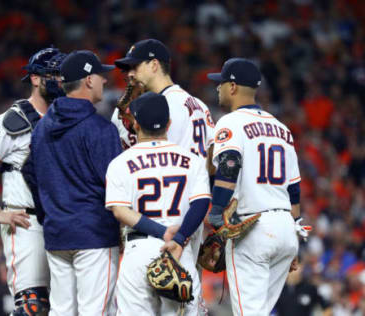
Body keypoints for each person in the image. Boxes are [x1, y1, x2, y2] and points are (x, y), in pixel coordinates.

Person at [114, 39, 215, 311]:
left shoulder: (166, 107)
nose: (129, 74)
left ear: (155, 64)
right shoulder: (200, 106)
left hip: (164, 224)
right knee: (186, 304)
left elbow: (160, 164)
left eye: (135, 67)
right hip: (190, 219)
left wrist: (127, 136)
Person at [0, 47, 67, 315]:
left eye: (62, 74)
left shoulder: (67, 118)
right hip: (26, 222)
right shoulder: (14, 119)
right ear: (35, 78)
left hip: (63, 221)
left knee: (66, 305)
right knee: (32, 305)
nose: (60, 80)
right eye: (53, 74)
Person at [206, 58, 310, 316]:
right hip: (285, 229)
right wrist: (295, 239)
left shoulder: (231, 121)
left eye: (220, 83)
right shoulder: (282, 129)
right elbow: (294, 191)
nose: (217, 88)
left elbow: (230, 164)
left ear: (232, 87)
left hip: (252, 229)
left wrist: (217, 211)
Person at [29, 50, 122, 316]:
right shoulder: (100, 129)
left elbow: (32, 176)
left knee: (61, 312)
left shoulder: (42, 127)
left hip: (57, 233)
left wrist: (50, 217)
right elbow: (116, 188)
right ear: (88, 80)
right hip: (94, 234)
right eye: (100, 76)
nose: (105, 81)